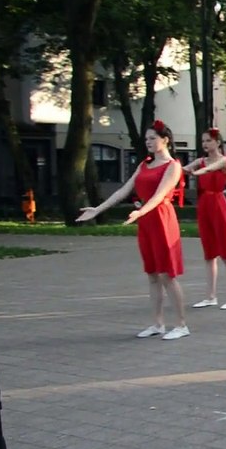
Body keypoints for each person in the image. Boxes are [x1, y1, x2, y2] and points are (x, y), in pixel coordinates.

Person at [76, 119, 190, 340]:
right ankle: (158, 324)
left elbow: (159, 196)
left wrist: (140, 211)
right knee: (152, 275)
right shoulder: (144, 164)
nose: (148, 142)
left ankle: (181, 325)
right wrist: (97, 209)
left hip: (162, 219)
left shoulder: (173, 166)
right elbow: (123, 191)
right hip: (146, 220)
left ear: (165, 140)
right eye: (146, 138)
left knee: (167, 275)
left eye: (152, 138)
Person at [184, 128, 226, 310]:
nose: (205, 144)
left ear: (218, 142)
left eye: (208, 140)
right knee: (209, 254)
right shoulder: (201, 161)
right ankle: (210, 296)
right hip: (204, 205)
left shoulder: (223, 160)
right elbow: (186, 168)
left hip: (218, 204)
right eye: (203, 141)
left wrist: (198, 172)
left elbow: (211, 168)